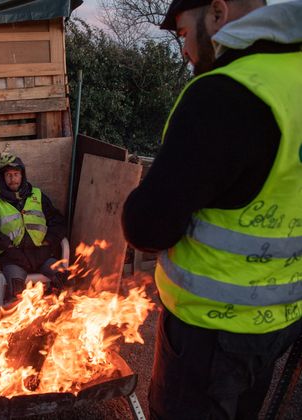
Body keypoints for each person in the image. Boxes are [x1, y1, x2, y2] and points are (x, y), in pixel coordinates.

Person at [121, 0, 302, 418]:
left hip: (210, 335)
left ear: (217, 12)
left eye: (183, 34)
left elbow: (147, 227)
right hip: (278, 323)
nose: (183, 51)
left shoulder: (226, 92)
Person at [0, 152, 67, 300]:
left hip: (43, 255)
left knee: (64, 278)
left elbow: (58, 221)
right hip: (14, 258)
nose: (13, 179)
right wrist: (7, 245)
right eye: (8, 175)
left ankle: (55, 315)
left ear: (22, 176)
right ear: (2, 178)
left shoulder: (38, 195)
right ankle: (23, 321)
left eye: (16, 174)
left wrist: (49, 240)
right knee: (17, 291)